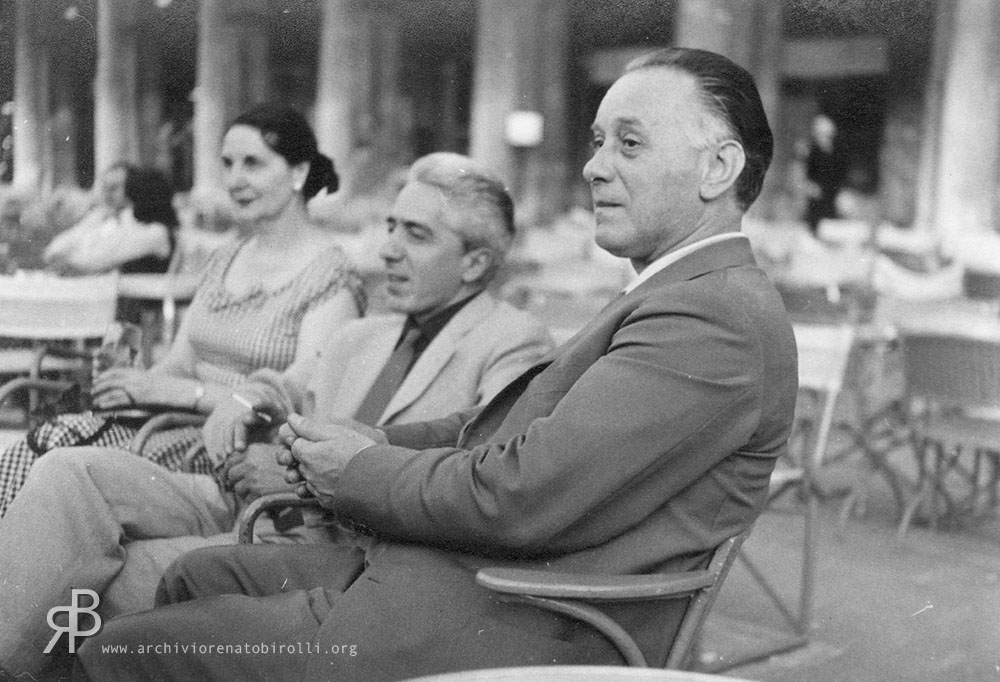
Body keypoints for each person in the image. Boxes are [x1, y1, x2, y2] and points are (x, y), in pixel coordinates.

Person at [77, 47, 799, 682]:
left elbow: (520, 492)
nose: (593, 165)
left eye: (629, 144)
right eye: (598, 139)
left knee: (123, 649)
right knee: (192, 575)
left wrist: (354, 473)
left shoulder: (712, 318)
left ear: (719, 168)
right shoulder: (686, 296)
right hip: (474, 586)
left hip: (519, 625)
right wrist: (359, 444)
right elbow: (495, 432)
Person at [0, 153, 553, 678]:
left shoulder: (511, 340)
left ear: (476, 262)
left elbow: (478, 468)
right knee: (71, 472)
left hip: (329, 543)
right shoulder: (368, 332)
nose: (387, 249)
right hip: (244, 493)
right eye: (390, 227)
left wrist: (309, 484)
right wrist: (244, 405)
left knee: (96, 583)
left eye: (415, 234)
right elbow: (278, 384)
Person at [0, 103, 364, 517]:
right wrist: (127, 384)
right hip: (169, 428)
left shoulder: (329, 276)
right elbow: (179, 364)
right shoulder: (226, 258)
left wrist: (174, 394)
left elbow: (307, 406)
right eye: (227, 164)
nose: (234, 180)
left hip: (238, 452)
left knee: (54, 463)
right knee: (42, 442)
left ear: (298, 173)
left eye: (253, 164)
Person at [43, 162, 178, 277]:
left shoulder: (154, 231)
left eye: (114, 188)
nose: (107, 194)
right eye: (104, 187)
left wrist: (70, 262)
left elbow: (98, 259)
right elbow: (54, 250)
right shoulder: (102, 219)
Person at [802, 113, 846, 235]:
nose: (824, 138)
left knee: (829, 216)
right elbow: (807, 169)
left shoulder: (834, 151)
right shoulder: (812, 150)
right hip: (815, 187)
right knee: (814, 212)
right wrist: (809, 184)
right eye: (821, 135)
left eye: (827, 135)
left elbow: (839, 170)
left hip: (830, 188)